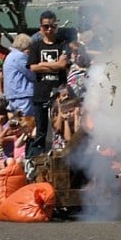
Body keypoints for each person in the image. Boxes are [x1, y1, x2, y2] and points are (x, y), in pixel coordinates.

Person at [29, 10, 74, 150]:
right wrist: (55, 65)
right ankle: (38, 156)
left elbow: (62, 65)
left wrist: (42, 64)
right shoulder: (35, 46)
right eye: (46, 26)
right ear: (40, 28)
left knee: (59, 127)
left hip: (58, 94)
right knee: (40, 131)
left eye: (52, 26)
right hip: (40, 93)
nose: (49, 29)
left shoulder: (63, 44)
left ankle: (61, 155)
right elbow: (33, 67)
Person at [4, 33, 36, 117]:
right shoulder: (20, 56)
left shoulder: (9, 56)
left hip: (12, 95)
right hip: (22, 95)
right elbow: (32, 74)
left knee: (16, 121)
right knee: (26, 121)